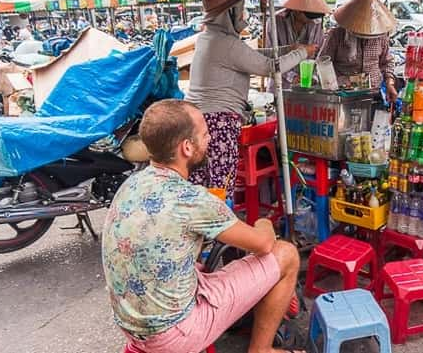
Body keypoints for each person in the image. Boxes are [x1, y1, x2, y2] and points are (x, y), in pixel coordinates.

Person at [103, 100, 302, 353]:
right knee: (286, 254)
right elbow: (263, 244)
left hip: (131, 326)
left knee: (200, 266)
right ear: (187, 147)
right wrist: (264, 222)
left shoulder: (130, 185)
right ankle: (262, 350)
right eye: (205, 134)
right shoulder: (192, 199)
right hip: (174, 335)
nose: (209, 140)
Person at [186, 0, 315, 200]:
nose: (244, 15)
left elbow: (253, 55)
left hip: (196, 121)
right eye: (241, 10)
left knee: (202, 187)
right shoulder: (226, 43)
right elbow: (269, 67)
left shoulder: (209, 38)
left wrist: (289, 49)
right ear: (229, 13)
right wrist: (303, 53)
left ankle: (204, 231)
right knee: (219, 189)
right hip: (218, 124)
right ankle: (222, 231)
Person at [319, 0, 398, 101]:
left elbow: (387, 62)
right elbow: (323, 63)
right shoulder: (336, 35)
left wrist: (390, 83)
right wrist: (339, 81)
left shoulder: (380, 36)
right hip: (343, 94)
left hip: (374, 93)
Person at [265, 0, 330, 91]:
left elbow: (319, 54)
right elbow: (271, 56)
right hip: (280, 86)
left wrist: (314, 76)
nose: (311, 21)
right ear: (297, 11)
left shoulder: (316, 23)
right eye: (308, 17)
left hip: (308, 87)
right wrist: (292, 77)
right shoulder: (275, 22)